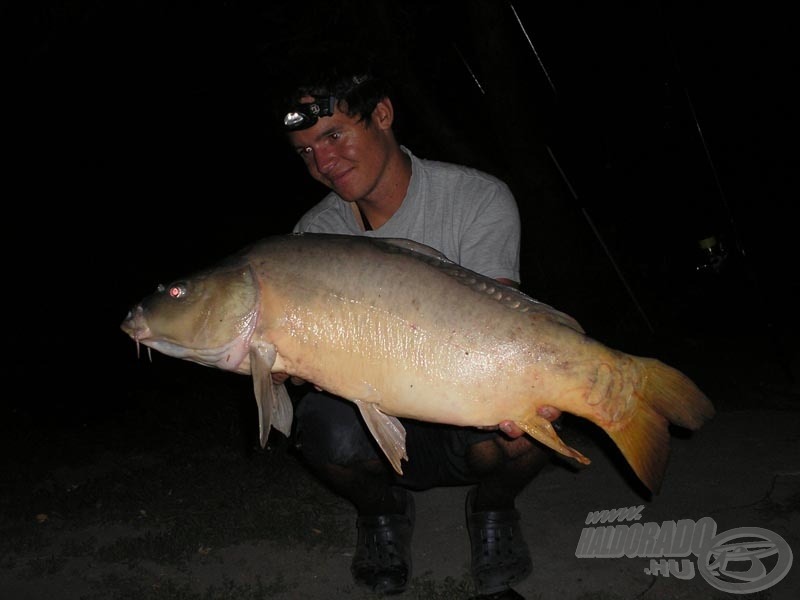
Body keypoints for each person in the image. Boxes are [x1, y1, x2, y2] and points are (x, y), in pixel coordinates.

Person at [271, 66, 561, 600]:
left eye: (333, 135)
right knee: (318, 429)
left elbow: (498, 321)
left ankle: (492, 509)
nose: (323, 163)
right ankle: (383, 514)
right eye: (306, 151)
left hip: (461, 406)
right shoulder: (316, 234)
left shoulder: (476, 198)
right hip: (373, 420)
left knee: (533, 422)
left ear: (381, 114)